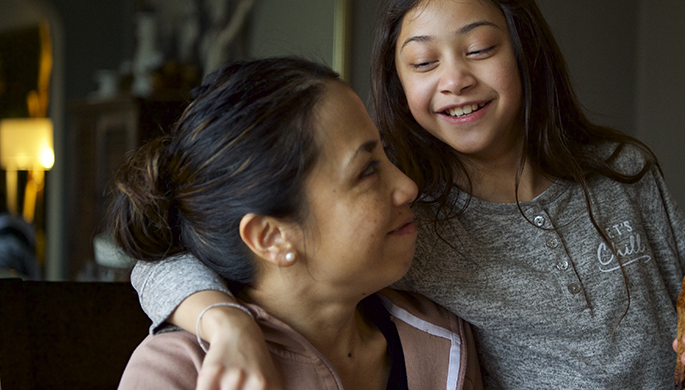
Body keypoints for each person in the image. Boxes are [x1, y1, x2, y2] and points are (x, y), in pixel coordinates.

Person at [131, 0, 685, 390]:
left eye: (481, 49)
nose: (456, 78)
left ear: (525, 53)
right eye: (423, 62)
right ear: (397, 81)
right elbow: (175, 250)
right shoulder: (408, 219)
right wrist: (223, 318)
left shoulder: (624, 172)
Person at [111, 57, 482, 390]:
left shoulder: (443, 342)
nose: (408, 187)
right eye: (367, 171)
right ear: (271, 237)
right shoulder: (177, 373)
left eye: (385, 156)